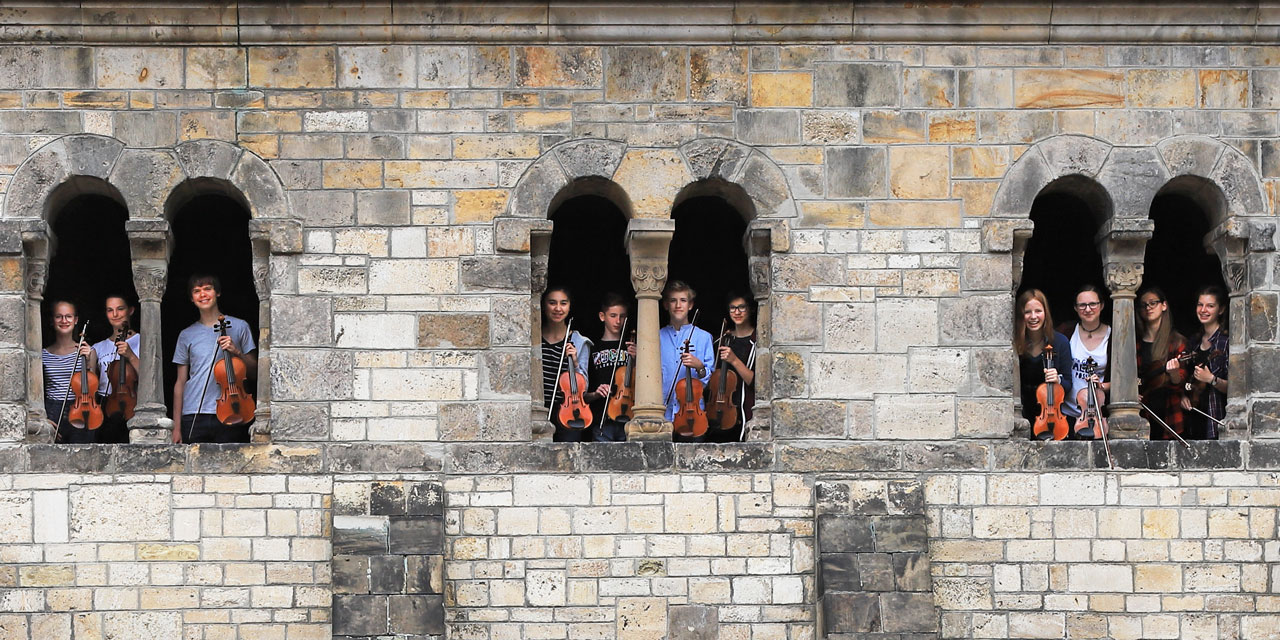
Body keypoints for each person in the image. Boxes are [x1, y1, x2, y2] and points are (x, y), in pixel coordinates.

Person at [172, 274, 257, 444]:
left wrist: (237, 352)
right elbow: (180, 382)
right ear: (192, 298)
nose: (202, 294)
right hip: (194, 412)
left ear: (217, 293)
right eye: (197, 291)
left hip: (233, 409)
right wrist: (176, 427)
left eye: (207, 289)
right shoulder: (186, 335)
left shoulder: (240, 326)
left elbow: (255, 372)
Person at [1014, 289, 1072, 439]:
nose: (1033, 317)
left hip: (1051, 415)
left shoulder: (1060, 342)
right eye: (1028, 312)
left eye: (1038, 311)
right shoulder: (1014, 343)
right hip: (1021, 413)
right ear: (1021, 315)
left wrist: (1058, 380)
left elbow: (1068, 383)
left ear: (1045, 312)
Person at [660, 280, 714, 443]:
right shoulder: (655, 337)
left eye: (683, 300)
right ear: (666, 305)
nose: (678, 305)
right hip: (663, 413)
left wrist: (699, 366)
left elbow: (708, 379)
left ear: (690, 305)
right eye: (673, 300)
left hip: (693, 414)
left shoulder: (704, 337)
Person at [540, 286, 591, 442]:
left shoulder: (579, 342)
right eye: (552, 303)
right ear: (543, 305)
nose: (558, 308)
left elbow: (585, 385)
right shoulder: (534, 337)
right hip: (539, 408)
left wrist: (575, 361)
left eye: (563, 303)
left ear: (569, 307)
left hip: (569, 409)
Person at [43, 299, 97, 444]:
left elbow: (93, 385)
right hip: (53, 410)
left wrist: (86, 361)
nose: (64, 320)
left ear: (75, 320)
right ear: (52, 320)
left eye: (68, 316)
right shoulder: (43, 354)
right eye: (58, 316)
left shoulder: (88, 351)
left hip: (81, 409)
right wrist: (42, 419)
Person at [1059, 284, 1110, 440]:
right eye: (1082, 305)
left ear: (1101, 305)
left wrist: (1101, 386)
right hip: (1067, 412)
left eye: (1092, 304)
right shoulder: (1066, 332)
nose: (1088, 309)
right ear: (1076, 308)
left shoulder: (1113, 336)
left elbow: (1123, 380)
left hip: (1097, 415)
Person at [1137, 286, 1187, 441]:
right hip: (1141, 409)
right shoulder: (1135, 342)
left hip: (1167, 410)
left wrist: (1173, 373)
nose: (1148, 308)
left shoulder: (1176, 341)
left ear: (1164, 305)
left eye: (1153, 303)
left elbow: (1180, 382)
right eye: (1144, 304)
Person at [584, 293, 634, 442]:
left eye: (622, 316)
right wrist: (597, 394)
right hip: (601, 418)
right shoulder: (593, 348)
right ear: (602, 316)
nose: (618, 321)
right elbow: (584, 394)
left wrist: (638, 360)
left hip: (629, 419)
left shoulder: (630, 347)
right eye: (613, 315)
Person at [707, 292, 756, 443]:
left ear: (750, 309)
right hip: (718, 407)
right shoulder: (721, 340)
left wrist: (734, 360)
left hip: (744, 408)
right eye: (732, 308)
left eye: (742, 307)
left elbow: (754, 382)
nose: (737, 312)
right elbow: (710, 377)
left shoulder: (757, 341)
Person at [1180, 285, 1228, 440]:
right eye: (1200, 305)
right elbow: (1185, 378)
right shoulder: (1193, 342)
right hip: (1192, 417)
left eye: (1210, 306)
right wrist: (1183, 395)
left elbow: (1237, 387)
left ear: (1220, 310)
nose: (1203, 310)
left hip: (1214, 416)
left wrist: (1211, 380)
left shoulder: (1226, 342)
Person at [92, 294, 140, 444]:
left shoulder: (143, 341)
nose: (115, 314)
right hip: (105, 404)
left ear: (130, 310)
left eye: (120, 309)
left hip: (133, 404)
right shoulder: (98, 347)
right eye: (110, 310)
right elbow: (92, 382)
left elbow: (151, 378)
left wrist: (131, 355)